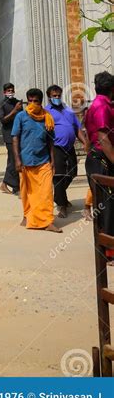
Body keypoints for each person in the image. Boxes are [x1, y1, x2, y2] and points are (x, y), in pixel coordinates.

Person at [12, 88, 61, 233]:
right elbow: (15, 138)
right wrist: (17, 160)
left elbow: (51, 141)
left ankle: (48, 221)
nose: (33, 104)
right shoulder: (21, 116)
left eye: (36, 101)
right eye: (30, 101)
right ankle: (28, 215)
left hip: (44, 161)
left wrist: (52, 160)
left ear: (41, 102)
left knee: (46, 193)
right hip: (26, 161)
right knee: (28, 193)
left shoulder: (47, 117)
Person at [84, 71, 114, 263]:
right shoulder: (101, 107)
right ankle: (108, 252)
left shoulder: (101, 105)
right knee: (108, 207)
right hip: (102, 160)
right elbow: (103, 139)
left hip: (99, 159)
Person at [45, 84, 88, 218]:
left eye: (58, 95)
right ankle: (62, 205)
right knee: (59, 176)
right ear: (49, 97)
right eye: (54, 96)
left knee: (72, 172)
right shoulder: (46, 111)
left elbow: (77, 129)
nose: (57, 98)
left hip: (69, 147)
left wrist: (86, 143)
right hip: (56, 147)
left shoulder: (68, 110)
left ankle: (58, 196)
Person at [0, 83, 23, 195]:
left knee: (14, 159)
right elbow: (3, 120)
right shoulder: (1, 104)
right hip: (9, 135)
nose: (10, 92)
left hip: (19, 134)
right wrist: (14, 111)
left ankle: (15, 186)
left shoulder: (17, 102)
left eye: (12, 90)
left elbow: (22, 116)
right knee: (14, 159)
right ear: (4, 92)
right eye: (8, 90)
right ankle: (7, 183)